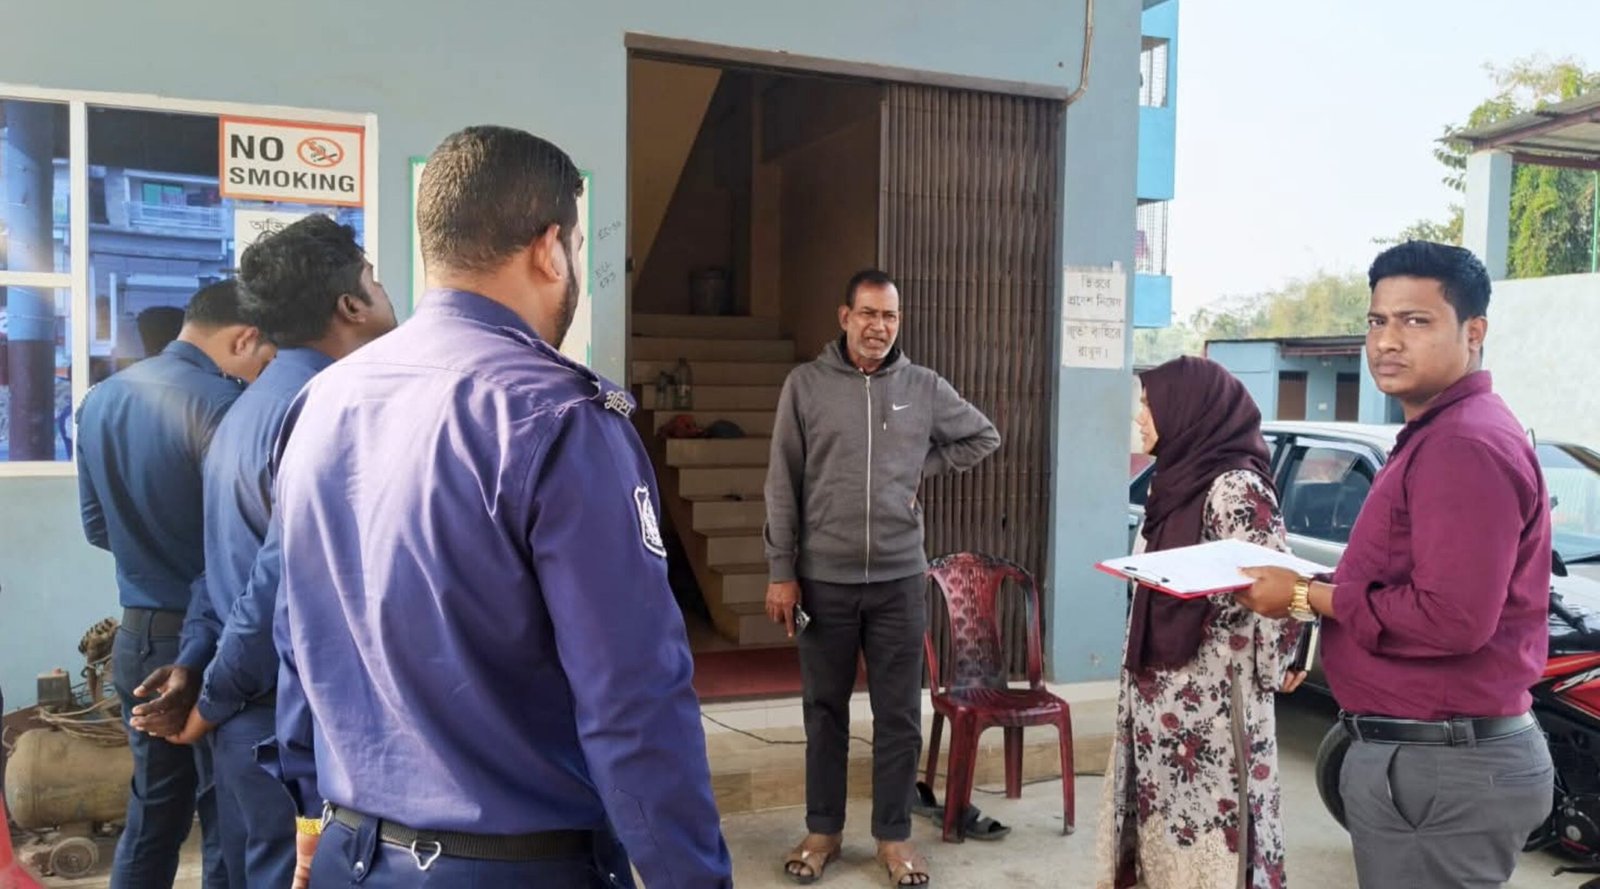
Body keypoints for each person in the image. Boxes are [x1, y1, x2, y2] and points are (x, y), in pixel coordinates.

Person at [265, 125, 732, 888]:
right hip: (515, 866)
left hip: (353, 855)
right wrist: (691, 876)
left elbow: (296, 639)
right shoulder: (560, 417)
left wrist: (311, 816)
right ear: (550, 248)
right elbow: (634, 703)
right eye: (574, 245)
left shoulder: (320, 402)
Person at [1236, 241, 1554, 888]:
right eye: (1377, 321)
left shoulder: (1462, 443)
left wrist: (1304, 596)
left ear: (1473, 332)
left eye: (1416, 321)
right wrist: (1310, 586)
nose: (1386, 341)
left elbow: (1452, 618)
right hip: (1430, 757)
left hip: (1442, 764)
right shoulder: (1442, 433)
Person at [128, 215, 397, 888]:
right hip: (287, 722)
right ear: (351, 305)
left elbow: (216, 565)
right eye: (373, 278)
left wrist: (197, 663)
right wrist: (213, 696)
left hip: (247, 717)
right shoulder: (328, 408)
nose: (384, 290)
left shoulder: (247, 407)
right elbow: (274, 579)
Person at [764, 269, 1001, 887]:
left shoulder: (922, 386)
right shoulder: (806, 386)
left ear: (899, 321)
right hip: (824, 580)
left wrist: (921, 465)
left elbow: (983, 435)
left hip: (898, 579)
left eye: (889, 316)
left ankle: (893, 838)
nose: (879, 327)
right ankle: (823, 831)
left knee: (899, 716)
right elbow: (781, 482)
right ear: (845, 317)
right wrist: (781, 571)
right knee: (825, 712)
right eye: (868, 314)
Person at [75, 280, 273, 889]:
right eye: (267, 355)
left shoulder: (101, 399)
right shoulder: (226, 404)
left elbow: (96, 527)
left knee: (153, 815)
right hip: (205, 644)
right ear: (245, 337)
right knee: (222, 820)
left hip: (137, 638)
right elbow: (241, 540)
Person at [1093, 356, 1305, 889]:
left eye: (1150, 404)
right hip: (1159, 702)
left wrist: (1284, 660)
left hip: (1214, 708)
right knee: (1164, 832)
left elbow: (1280, 586)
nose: (1140, 416)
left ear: (1187, 409)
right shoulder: (1172, 480)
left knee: (1217, 836)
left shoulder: (1235, 489)